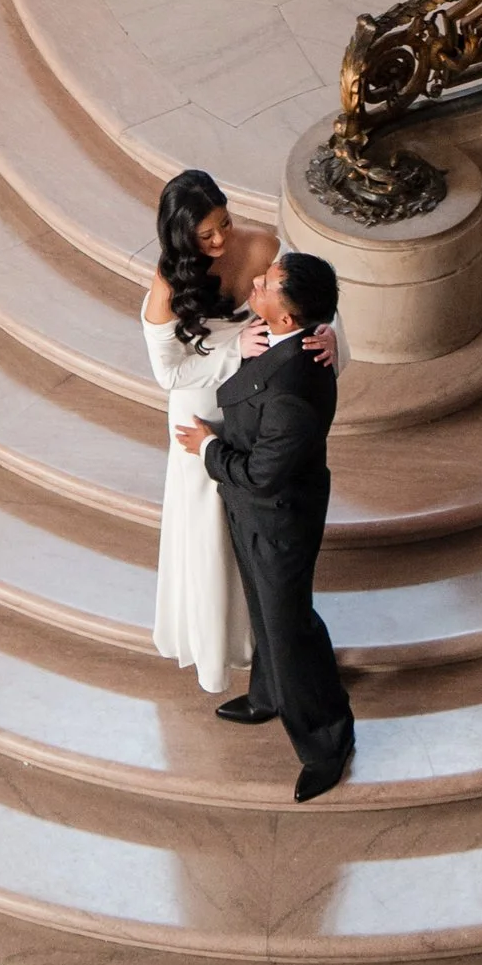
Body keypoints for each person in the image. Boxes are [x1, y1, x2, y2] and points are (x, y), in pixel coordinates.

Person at [139, 172, 335, 698]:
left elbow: (305, 295)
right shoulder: (168, 283)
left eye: (224, 223)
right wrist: (234, 352)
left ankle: (273, 643)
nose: (222, 240)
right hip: (200, 412)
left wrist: (329, 336)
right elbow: (170, 373)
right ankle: (227, 645)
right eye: (207, 236)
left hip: (261, 409)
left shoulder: (263, 247)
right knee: (210, 533)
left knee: (260, 530)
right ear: (181, 238)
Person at [176, 247, 355, 803]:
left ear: (286, 317)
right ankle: (269, 692)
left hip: (277, 519)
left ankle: (328, 742)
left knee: (289, 627)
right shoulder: (287, 335)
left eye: (269, 284)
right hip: (257, 515)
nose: (256, 282)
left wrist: (207, 447)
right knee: (266, 613)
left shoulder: (295, 392)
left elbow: (260, 476)